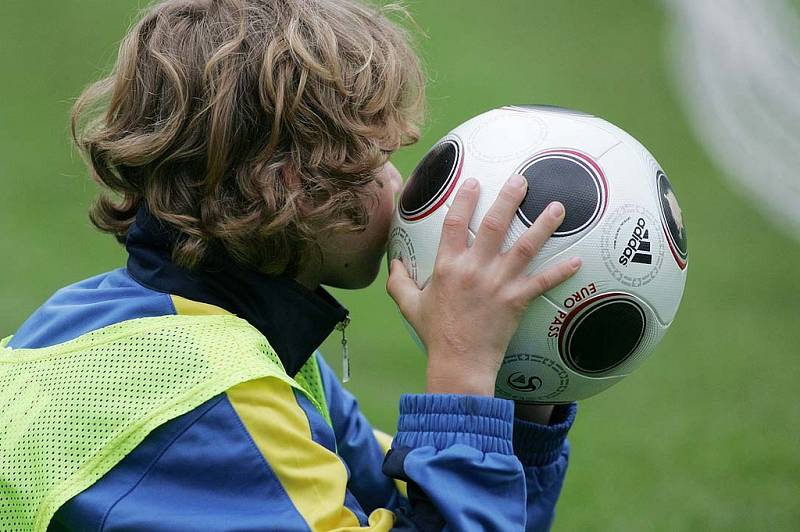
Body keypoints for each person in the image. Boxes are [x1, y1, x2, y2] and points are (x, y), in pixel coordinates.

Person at [0, 0, 582, 530]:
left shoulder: (125, 322)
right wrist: (464, 372)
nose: (399, 186)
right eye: (381, 160)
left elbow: (415, 500)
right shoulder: (212, 398)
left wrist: (524, 395)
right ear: (296, 187)